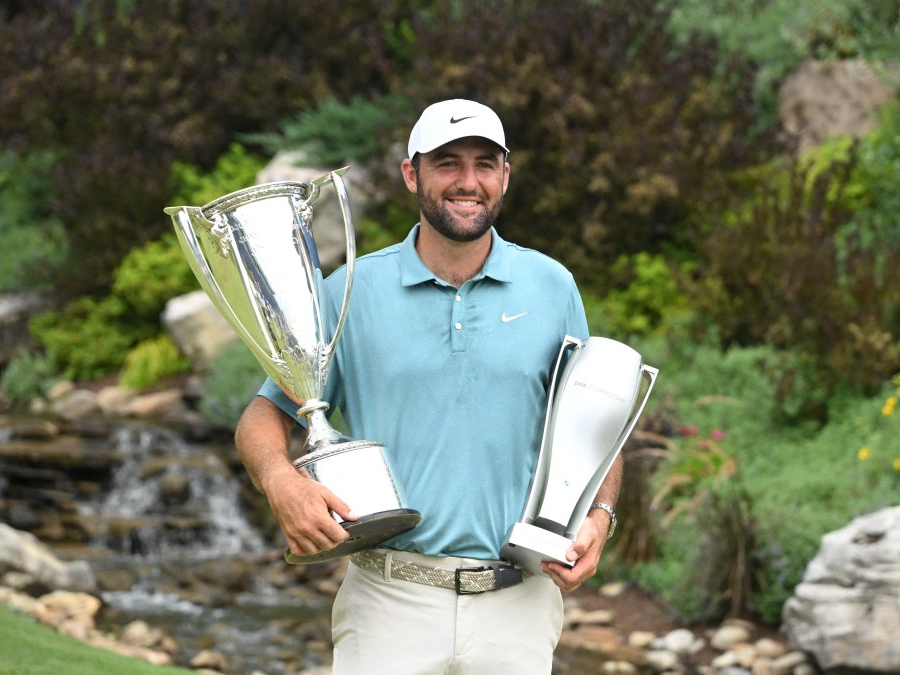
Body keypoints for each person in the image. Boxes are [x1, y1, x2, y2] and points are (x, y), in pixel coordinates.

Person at [234, 98, 621, 675]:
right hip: (389, 601)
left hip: (518, 604)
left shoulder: (552, 286)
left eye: (484, 164)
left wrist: (601, 516)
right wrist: (280, 481)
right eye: (447, 163)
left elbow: (597, 422)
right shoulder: (350, 292)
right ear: (412, 174)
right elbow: (265, 415)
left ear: (505, 176)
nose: (468, 182)